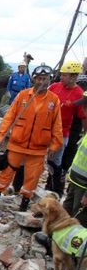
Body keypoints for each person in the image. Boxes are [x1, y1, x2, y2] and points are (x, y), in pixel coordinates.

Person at [0, 64, 63, 215]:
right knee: (6, 172)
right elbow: (9, 116)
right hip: (17, 144)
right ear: (34, 79)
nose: (42, 82)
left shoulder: (53, 100)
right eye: (39, 79)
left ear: (50, 80)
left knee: (32, 178)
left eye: (45, 79)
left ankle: (23, 205)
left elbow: (57, 125)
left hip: (38, 148)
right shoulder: (23, 96)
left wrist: (55, 146)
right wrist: (1, 135)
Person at [46, 60, 87, 196]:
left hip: (62, 132)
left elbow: (83, 116)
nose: (61, 77)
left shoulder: (79, 93)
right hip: (45, 130)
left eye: (65, 75)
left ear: (74, 76)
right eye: (62, 74)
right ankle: (48, 186)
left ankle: (56, 190)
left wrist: (84, 134)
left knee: (55, 162)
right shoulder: (54, 87)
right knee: (46, 160)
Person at [63, 132, 87, 227]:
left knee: (78, 218)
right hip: (74, 180)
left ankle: (72, 241)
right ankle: (56, 237)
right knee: (66, 211)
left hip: (83, 186)